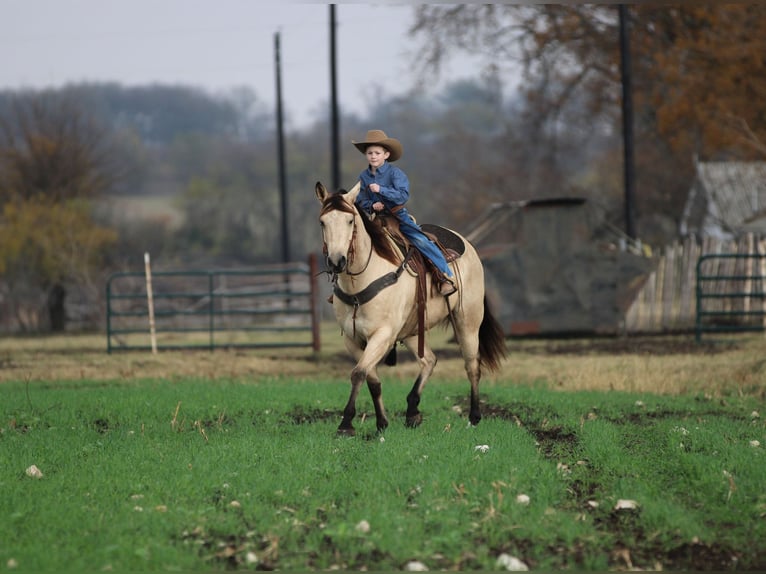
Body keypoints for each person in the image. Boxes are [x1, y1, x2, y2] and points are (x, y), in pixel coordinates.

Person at [352, 129, 456, 296]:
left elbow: (402, 195)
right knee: (353, 242)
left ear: (386, 154)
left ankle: (443, 276)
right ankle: (347, 286)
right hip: (376, 219)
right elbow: (360, 199)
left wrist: (382, 190)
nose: (373, 156)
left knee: (421, 241)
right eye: (370, 153)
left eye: (377, 153)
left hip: (398, 217)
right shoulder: (363, 176)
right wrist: (372, 206)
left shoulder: (395, 174)